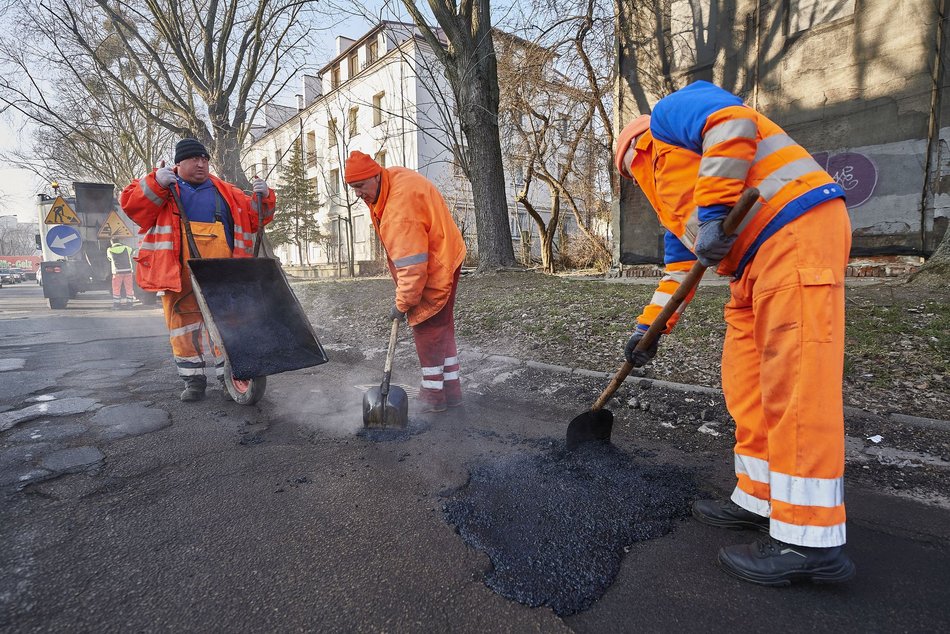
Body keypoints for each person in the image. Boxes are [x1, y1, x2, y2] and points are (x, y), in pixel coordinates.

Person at [614, 80, 854, 585]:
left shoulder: (669, 117)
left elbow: (733, 123)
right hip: (750, 267)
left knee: (794, 386)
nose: (636, 179)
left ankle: (809, 543)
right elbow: (679, 274)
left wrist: (716, 213)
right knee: (745, 384)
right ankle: (759, 498)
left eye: (632, 169)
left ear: (636, 151)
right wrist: (647, 332)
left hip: (793, 230)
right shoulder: (673, 204)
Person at [120, 138, 274, 402]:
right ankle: (193, 381)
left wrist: (265, 196)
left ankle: (228, 378)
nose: (201, 164)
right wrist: (156, 181)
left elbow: (254, 217)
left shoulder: (226, 191)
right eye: (194, 159)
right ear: (180, 163)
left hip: (222, 272)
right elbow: (132, 206)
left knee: (227, 325)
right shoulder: (164, 187)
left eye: (205, 159)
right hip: (178, 273)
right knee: (183, 327)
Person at [344, 151, 466, 413]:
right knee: (443, 327)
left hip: (437, 263)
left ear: (376, 176)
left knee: (427, 326)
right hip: (445, 252)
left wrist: (401, 305)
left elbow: (412, 270)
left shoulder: (399, 211)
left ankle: (433, 397)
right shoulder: (392, 178)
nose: (357, 193)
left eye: (360, 186)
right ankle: (451, 391)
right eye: (353, 188)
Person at [106, 238, 135, 310]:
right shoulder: (126, 248)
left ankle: (117, 305)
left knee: (116, 288)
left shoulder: (109, 249)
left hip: (117, 272)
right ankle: (130, 305)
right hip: (128, 271)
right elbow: (133, 252)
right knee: (129, 288)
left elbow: (109, 258)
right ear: (119, 241)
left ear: (111, 242)